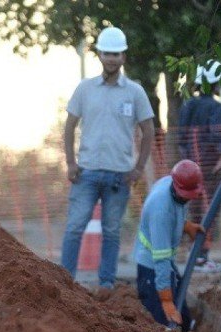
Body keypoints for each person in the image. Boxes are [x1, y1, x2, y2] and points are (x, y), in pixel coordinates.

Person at [59, 25, 155, 289]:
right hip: (86, 172)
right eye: (107, 53)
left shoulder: (135, 92)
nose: (112, 58)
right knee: (75, 227)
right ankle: (65, 282)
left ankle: (106, 284)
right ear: (99, 55)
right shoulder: (85, 89)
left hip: (119, 176)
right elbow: (69, 126)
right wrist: (70, 162)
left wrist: (138, 168)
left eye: (117, 54)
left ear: (123, 57)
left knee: (111, 231)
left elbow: (148, 130)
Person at [134, 159, 204, 329]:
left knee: (183, 317)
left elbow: (176, 211)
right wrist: (166, 300)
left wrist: (185, 225)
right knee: (162, 324)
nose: (188, 200)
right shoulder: (161, 211)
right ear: (177, 187)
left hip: (165, 262)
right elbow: (161, 259)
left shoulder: (171, 184)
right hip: (151, 266)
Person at [177, 60, 221, 273]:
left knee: (195, 210)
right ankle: (202, 256)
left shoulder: (188, 105)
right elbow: (217, 135)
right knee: (210, 210)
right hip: (210, 168)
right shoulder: (215, 107)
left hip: (190, 169)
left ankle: (196, 255)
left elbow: (181, 139)